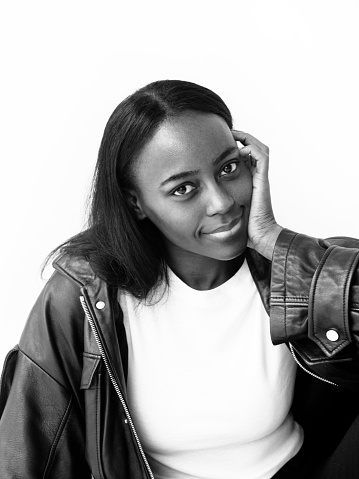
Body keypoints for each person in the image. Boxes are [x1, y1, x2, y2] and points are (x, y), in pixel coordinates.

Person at [0, 80, 358, 479]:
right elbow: (25, 451)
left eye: (228, 168)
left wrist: (275, 240)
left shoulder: (296, 273)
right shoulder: (82, 296)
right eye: (184, 188)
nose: (222, 203)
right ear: (136, 203)